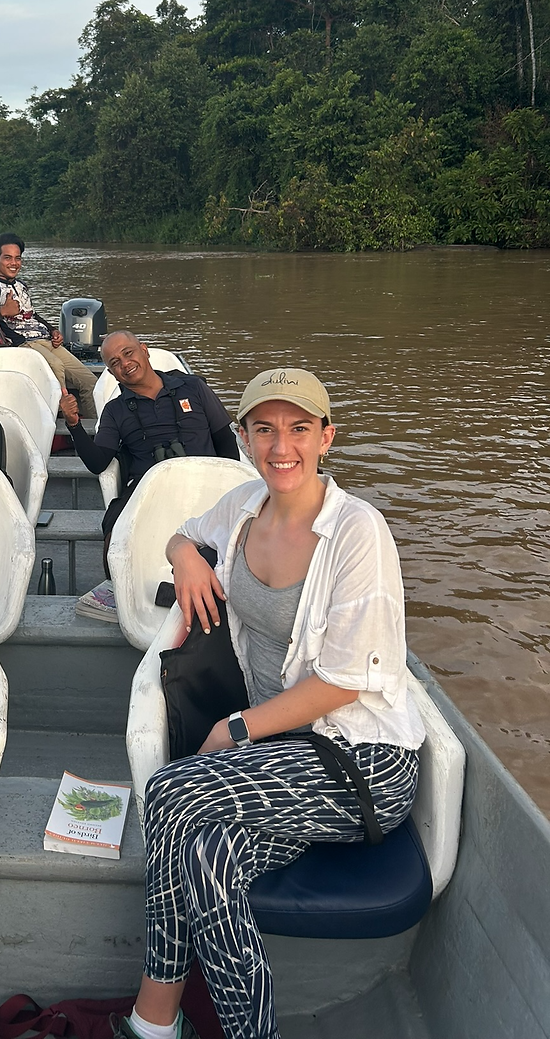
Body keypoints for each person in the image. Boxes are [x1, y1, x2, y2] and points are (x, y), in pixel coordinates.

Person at [115, 368, 425, 1039]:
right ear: (248, 437)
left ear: (326, 437)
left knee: (170, 793)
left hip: (363, 764)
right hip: (288, 757)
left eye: (299, 428)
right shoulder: (243, 505)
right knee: (208, 856)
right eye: (264, 428)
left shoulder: (357, 532)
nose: (281, 444)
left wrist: (235, 728)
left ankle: (153, 1016)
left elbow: (344, 683)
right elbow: (184, 533)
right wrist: (187, 559)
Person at [58, 331, 240, 552]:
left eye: (128, 353)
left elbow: (226, 440)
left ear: (144, 350)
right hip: (148, 492)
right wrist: (74, 424)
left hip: (205, 483)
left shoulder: (193, 387)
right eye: (115, 362)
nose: (125, 364)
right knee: (114, 539)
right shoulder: (115, 410)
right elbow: (98, 463)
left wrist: (228, 486)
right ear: (112, 373)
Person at [0, 232, 98, 418]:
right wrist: (1, 311)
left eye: (18, 258)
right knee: (56, 366)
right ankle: (60, 419)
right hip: (22, 344)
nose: (14, 263)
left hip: (44, 340)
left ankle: (94, 432)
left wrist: (52, 330)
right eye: (7, 258)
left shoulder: (21, 286)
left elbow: (31, 315)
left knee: (90, 381)